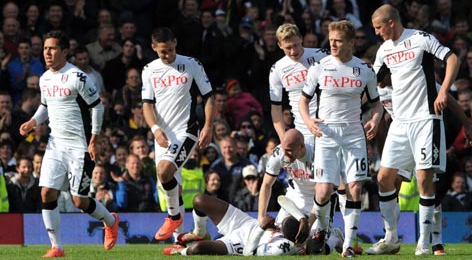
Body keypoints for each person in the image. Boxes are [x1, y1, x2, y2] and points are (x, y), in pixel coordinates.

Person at [367, 4, 461, 256]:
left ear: (390, 23)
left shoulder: (420, 38)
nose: (376, 33)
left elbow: (453, 58)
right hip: (400, 122)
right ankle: (391, 239)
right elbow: (371, 84)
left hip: (425, 118)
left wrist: (443, 91)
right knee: (383, 178)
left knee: (423, 178)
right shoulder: (384, 50)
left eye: (378, 27)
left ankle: (424, 243)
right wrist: (374, 117)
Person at [19, 30, 119, 258]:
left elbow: (97, 107)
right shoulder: (44, 78)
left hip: (79, 146)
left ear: (65, 51)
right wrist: (32, 122)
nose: (48, 52)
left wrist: (93, 139)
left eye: (52, 48)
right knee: (46, 193)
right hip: (55, 144)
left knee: (79, 201)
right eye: (45, 48)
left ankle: (111, 221)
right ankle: (57, 247)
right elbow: (45, 106)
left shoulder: (78, 77)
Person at [298, 20, 383, 258]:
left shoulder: (365, 70)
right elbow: (303, 101)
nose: (332, 44)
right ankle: (322, 230)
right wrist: (308, 121)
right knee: (324, 192)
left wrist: (375, 120)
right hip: (326, 134)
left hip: (354, 135)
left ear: (351, 42)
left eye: (338, 40)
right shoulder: (319, 67)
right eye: (331, 39)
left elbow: (377, 105)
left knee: (355, 187)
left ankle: (349, 245)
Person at [141, 27, 214, 241]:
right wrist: (155, 129)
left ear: (175, 43)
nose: (168, 55)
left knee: (165, 172)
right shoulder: (149, 70)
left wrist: (208, 126)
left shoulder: (191, 64)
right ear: (154, 48)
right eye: (163, 51)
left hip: (187, 131)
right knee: (175, 187)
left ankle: (173, 218)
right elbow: (147, 105)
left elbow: (209, 96)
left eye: (171, 50)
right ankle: (181, 241)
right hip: (163, 136)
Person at [163, 194, 306, 256]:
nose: (279, 225)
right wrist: (302, 219)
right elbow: (283, 199)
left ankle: (180, 251)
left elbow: (248, 253)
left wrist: (262, 228)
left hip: (241, 242)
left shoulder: (282, 249)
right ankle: (199, 233)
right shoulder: (300, 228)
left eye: (282, 226)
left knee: (196, 248)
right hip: (246, 222)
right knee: (200, 201)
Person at [269, 23, 329, 144]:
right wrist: (283, 139)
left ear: (301, 39)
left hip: (330, 124)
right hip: (303, 131)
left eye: (295, 45)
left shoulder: (322, 55)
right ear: (280, 45)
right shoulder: (277, 69)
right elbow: (276, 108)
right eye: (288, 47)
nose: (293, 51)